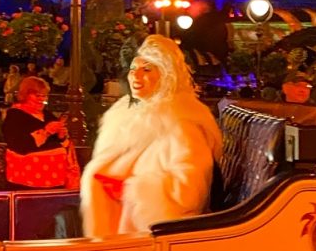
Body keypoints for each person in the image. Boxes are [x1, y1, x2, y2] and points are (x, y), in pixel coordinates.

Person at [80, 34, 223, 238]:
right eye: (132, 69)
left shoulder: (181, 122)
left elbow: (190, 193)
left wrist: (129, 190)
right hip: (119, 233)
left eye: (147, 69)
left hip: (153, 240)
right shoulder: (126, 116)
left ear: (166, 75)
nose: (136, 76)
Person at [2, 75, 81, 189]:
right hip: (27, 182)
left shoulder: (47, 115)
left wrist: (61, 136)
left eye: (44, 96)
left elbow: (60, 142)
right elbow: (18, 145)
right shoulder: (15, 115)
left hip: (55, 181)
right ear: (25, 94)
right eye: (37, 95)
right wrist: (46, 132)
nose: (42, 99)